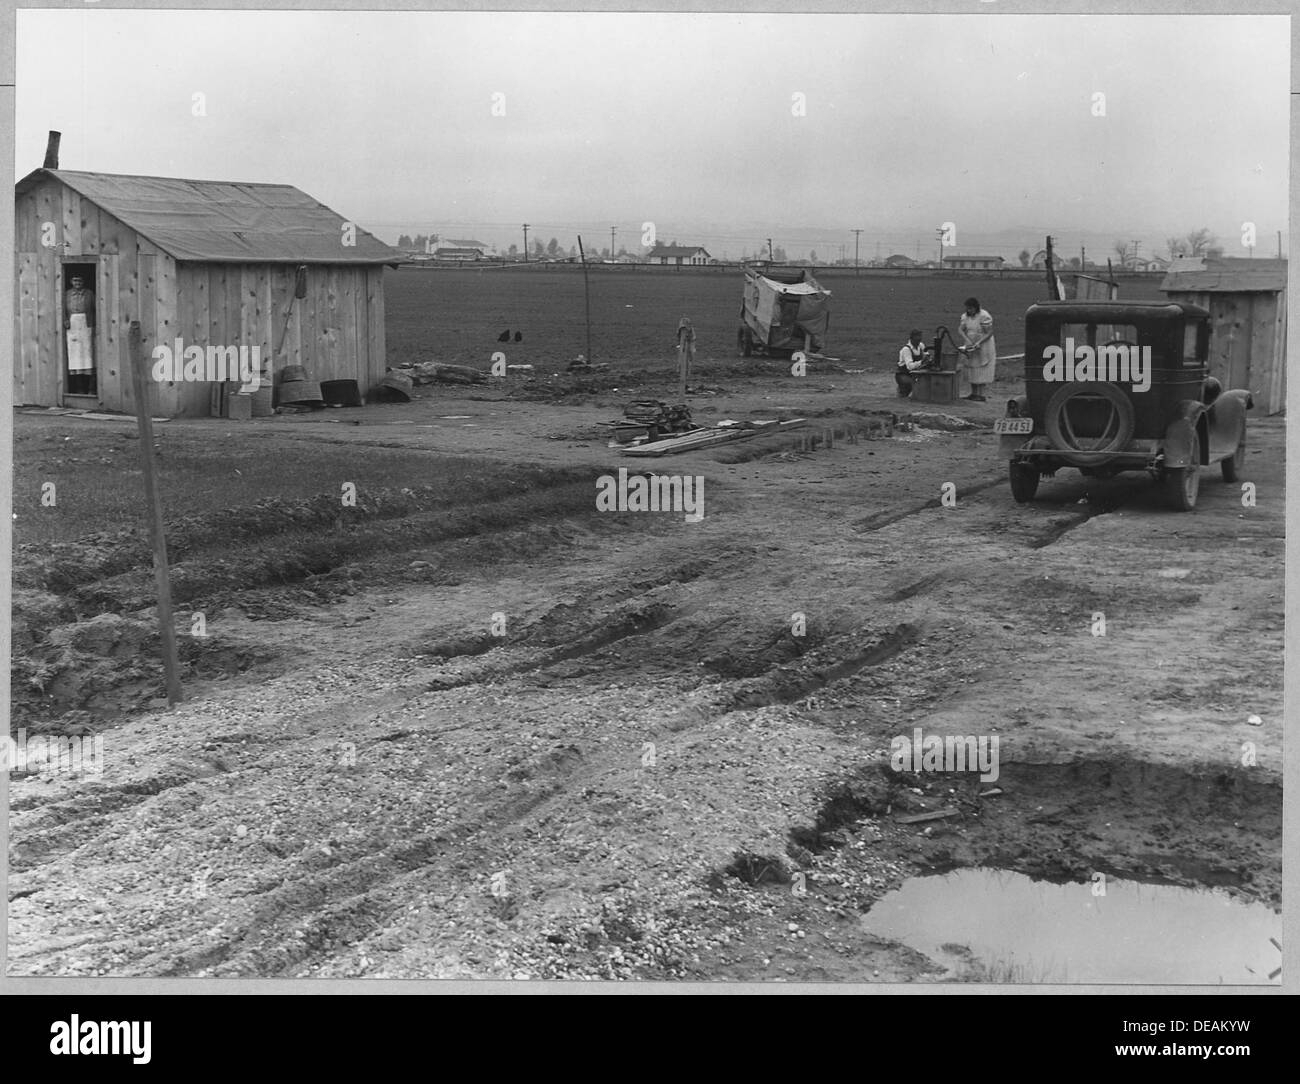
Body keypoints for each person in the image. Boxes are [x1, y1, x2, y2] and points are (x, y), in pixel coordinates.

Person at [957, 296, 995, 401]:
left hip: (983, 344)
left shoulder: (984, 316)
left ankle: (981, 394)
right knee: (971, 368)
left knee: (982, 369)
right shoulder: (965, 317)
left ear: (976, 308)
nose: (969, 311)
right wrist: (967, 339)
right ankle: (973, 393)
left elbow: (989, 332)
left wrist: (979, 342)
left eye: (971, 308)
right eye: (968, 308)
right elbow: (960, 329)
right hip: (970, 344)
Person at [64, 273, 96, 394]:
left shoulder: (89, 294)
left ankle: (91, 388)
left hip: (86, 325)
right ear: (71, 281)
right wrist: (65, 319)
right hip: (72, 326)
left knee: (88, 355)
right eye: (75, 281)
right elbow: (61, 309)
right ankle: (79, 388)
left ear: (83, 282)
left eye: (80, 281)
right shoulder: (67, 295)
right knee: (74, 356)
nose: (78, 283)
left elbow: (95, 309)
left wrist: (94, 324)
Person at [895, 328, 930, 397]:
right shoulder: (906, 350)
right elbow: (910, 366)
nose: (919, 339)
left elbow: (926, 354)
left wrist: (928, 358)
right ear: (912, 338)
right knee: (915, 384)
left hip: (914, 373)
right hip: (903, 374)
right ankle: (901, 393)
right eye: (917, 337)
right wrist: (922, 361)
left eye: (920, 337)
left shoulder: (921, 345)